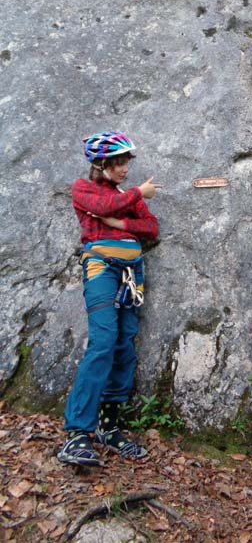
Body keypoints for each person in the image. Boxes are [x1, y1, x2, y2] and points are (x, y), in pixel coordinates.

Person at [58, 131, 161, 466]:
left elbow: (152, 227)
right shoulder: (83, 188)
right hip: (101, 268)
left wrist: (119, 220)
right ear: (101, 164)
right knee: (103, 342)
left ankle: (109, 427)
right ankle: (77, 434)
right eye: (117, 163)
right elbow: (100, 205)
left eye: (125, 163)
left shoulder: (124, 195)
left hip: (132, 274)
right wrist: (136, 195)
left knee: (124, 346)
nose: (123, 170)